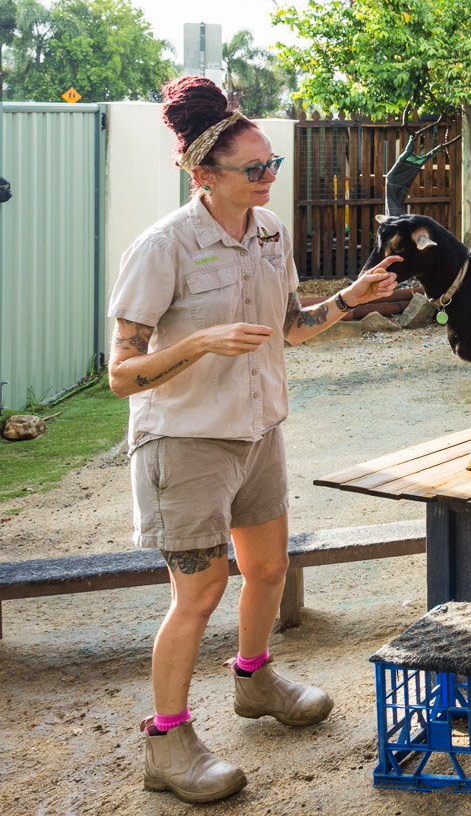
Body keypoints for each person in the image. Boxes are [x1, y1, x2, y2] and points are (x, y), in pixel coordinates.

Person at [108, 76, 400, 804]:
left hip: (258, 431)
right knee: (201, 590)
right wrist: (202, 341)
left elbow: (293, 326)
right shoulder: (163, 246)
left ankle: (254, 678)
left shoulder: (271, 233)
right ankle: (167, 742)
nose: (270, 176)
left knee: (268, 568)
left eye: (272, 164)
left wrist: (352, 300)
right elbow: (121, 374)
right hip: (186, 442)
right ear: (204, 175)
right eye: (255, 168)